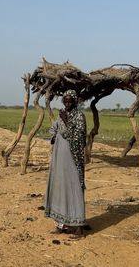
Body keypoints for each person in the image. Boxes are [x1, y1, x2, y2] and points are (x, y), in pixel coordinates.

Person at [45, 89, 86, 238]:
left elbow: (78, 138)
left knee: (74, 188)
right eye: (65, 100)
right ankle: (61, 224)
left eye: (70, 101)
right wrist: (54, 136)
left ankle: (78, 228)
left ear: (75, 102)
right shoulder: (61, 115)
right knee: (60, 188)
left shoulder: (79, 116)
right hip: (59, 158)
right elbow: (54, 129)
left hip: (72, 159)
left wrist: (67, 120)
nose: (67, 103)